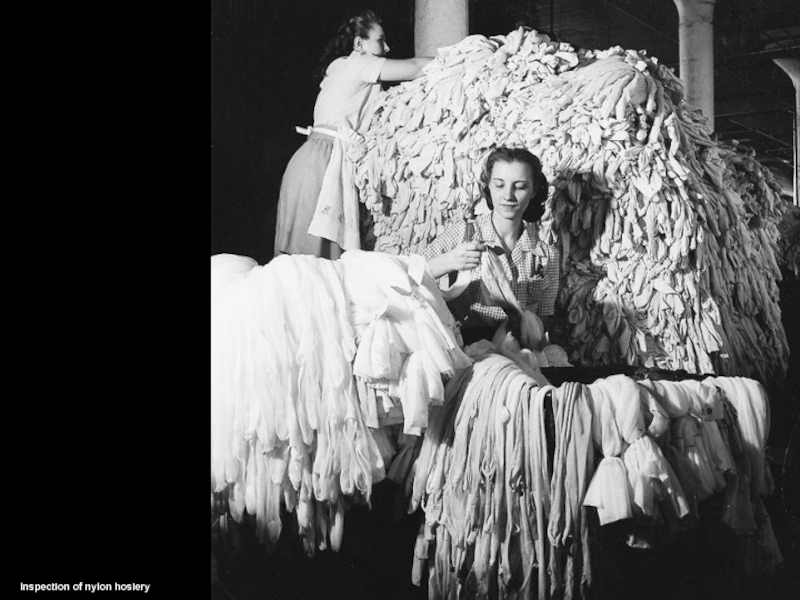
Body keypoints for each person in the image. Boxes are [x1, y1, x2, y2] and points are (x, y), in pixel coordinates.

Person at [274, 10, 433, 259]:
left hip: (314, 158)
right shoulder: (358, 62)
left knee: (311, 262)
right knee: (313, 262)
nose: (387, 47)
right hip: (322, 162)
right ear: (359, 44)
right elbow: (415, 67)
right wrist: (461, 54)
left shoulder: (342, 68)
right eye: (380, 40)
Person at [423, 146, 560, 345]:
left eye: (520, 187)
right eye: (499, 185)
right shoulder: (463, 234)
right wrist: (449, 261)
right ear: (488, 187)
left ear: (533, 190)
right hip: (464, 347)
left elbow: (542, 323)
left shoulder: (546, 256)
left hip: (517, 350)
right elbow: (408, 274)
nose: (508, 196)